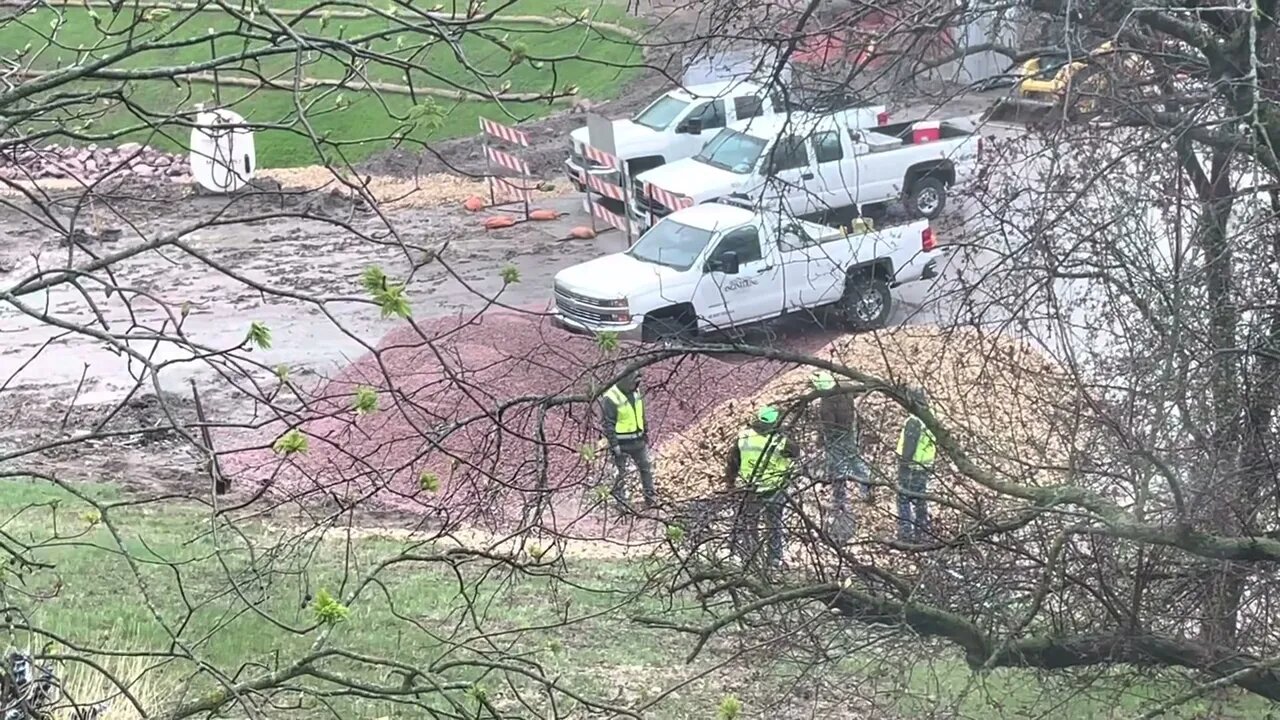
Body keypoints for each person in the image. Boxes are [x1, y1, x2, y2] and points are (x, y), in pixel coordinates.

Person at [725, 405, 797, 569]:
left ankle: (749, 558)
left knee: (749, 525)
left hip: (749, 489)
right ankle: (774, 559)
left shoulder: (744, 437)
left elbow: (732, 463)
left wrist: (730, 484)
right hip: (774, 489)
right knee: (774, 525)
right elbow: (796, 453)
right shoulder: (781, 441)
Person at [810, 371, 873, 512]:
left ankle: (839, 501)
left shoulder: (826, 405)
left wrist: (822, 440)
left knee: (838, 467)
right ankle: (866, 485)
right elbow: (860, 389)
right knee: (854, 459)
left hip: (835, 438)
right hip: (850, 430)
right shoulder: (845, 388)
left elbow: (829, 428)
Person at [600, 372, 656, 509]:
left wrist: (645, 432)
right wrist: (614, 444)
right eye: (634, 382)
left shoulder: (636, 393)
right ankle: (621, 503)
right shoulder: (611, 397)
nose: (636, 386)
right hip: (621, 443)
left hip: (638, 441)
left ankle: (650, 499)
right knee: (619, 473)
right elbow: (608, 424)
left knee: (646, 469)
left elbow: (641, 414)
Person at [896, 388, 937, 541]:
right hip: (925, 464)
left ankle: (905, 533)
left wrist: (903, 463)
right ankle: (923, 530)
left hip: (911, 466)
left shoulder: (914, 421)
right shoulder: (930, 416)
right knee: (920, 497)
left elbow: (909, 447)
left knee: (903, 498)